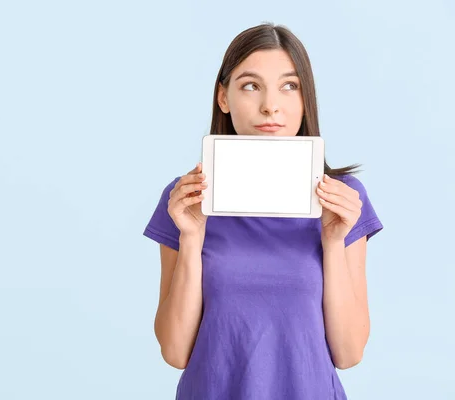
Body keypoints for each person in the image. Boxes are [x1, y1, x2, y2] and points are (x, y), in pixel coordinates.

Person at [142, 23, 384, 400]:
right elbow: (174, 352)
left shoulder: (344, 200)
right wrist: (191, 240)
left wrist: (333, 241)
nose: (271, 105)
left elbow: (349, 352)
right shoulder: (186, 201)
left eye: (290, 86)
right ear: (224, 97)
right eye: (251, 85)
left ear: (306, 99)